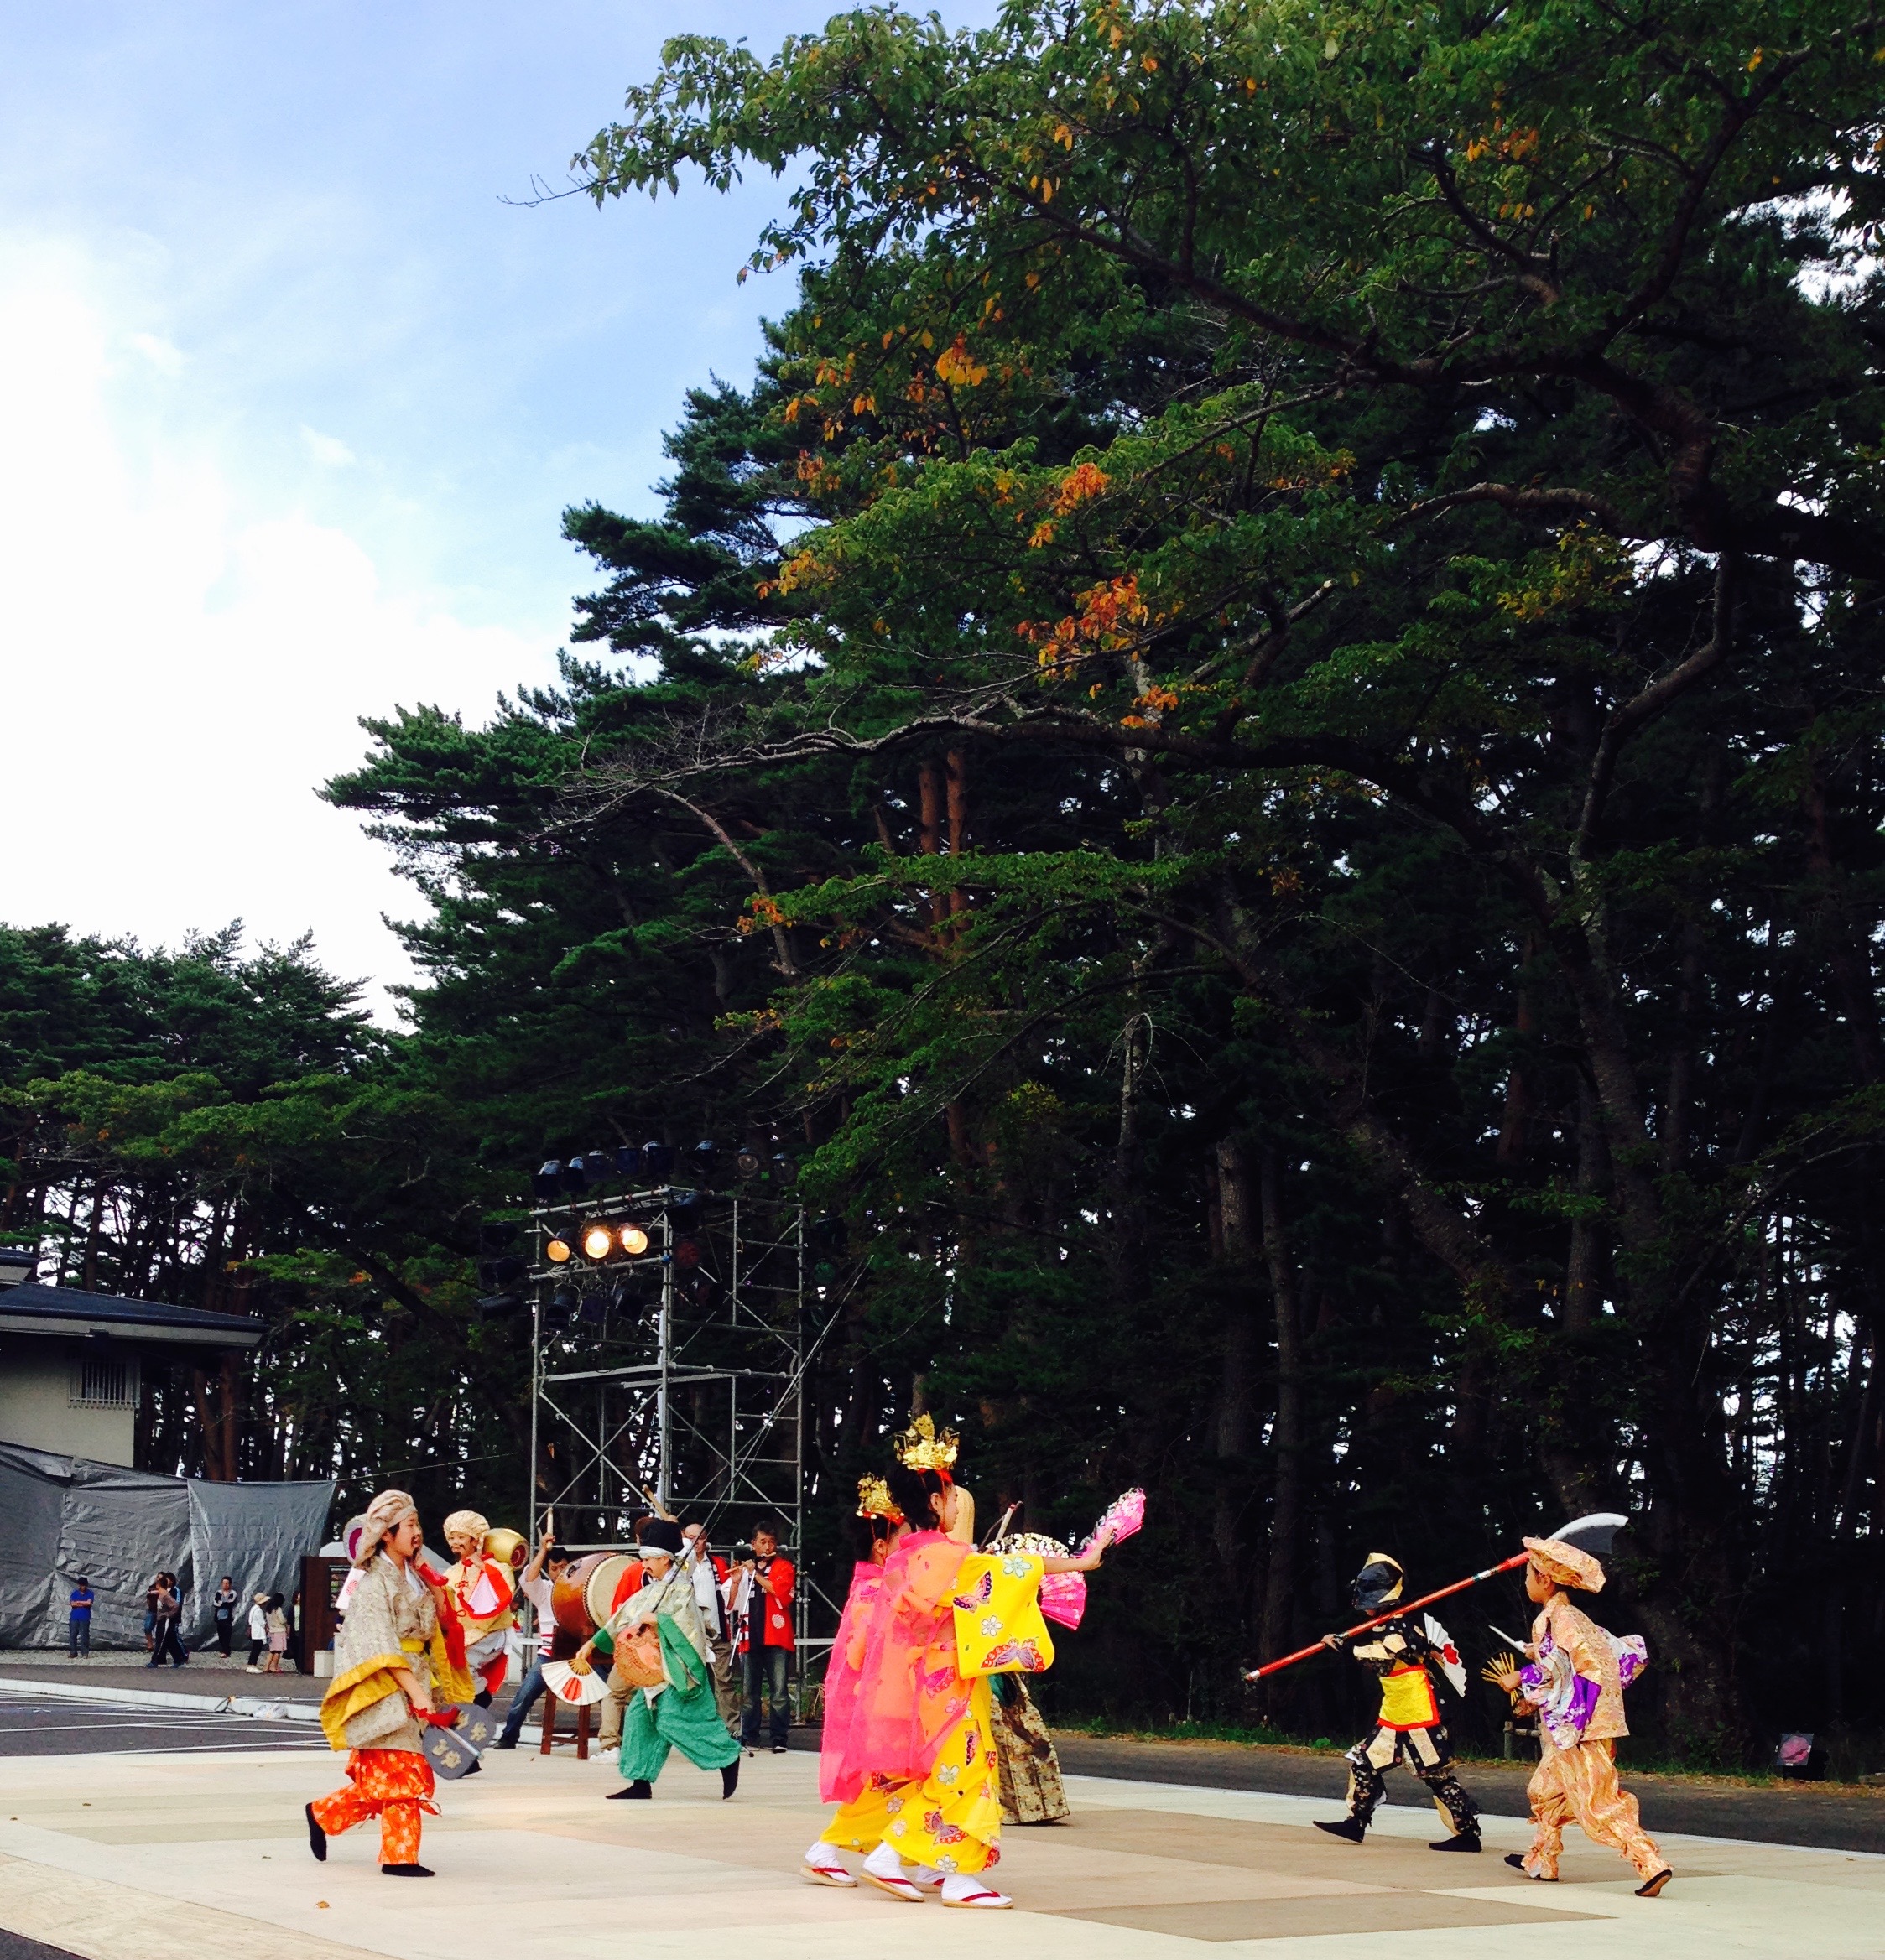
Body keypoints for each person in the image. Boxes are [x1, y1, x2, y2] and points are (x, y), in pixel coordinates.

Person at [803, 1417, 1112, 1909]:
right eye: (950, 1497)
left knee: (946, 1779)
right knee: (969, 1777)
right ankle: (921, 1864)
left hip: (926, 1689)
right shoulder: (949, 1557)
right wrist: (1083, 1560)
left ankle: (919, 1861)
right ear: (934, 1503)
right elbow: (1016, 1569)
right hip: (948, 1692)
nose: (953, 1506)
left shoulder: (905, 1558)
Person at [1491, 1535, 1671, 1897]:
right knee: (1545, 1792)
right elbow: (1589, 1657)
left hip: (1582, 1727)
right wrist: (1537, 1656)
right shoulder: (1567, 1619)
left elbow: (1573, 1667)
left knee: (1597, 1801)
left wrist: (1522, 1678)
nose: (1525, 1582)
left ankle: (1650, 1862)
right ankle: (1542, 1859)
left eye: (1529, 1575)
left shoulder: (1561, 1619)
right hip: (1584, 1723)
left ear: (1545, 1579)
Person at [309, 1488, 450, 1878]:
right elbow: (381, 1648)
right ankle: (399, 1857)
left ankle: (323, 1814)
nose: (417, 1531)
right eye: (408, 1525)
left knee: (388, 1777)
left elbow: (436, 1630)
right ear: (386, 1534)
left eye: (417, 1523)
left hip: (417, 1677)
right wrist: (419, 1695)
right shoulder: (373, 1584)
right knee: (401, 1772)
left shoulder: (417, 1578)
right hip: (387, 1688)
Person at [1313, 1553, 1481, 1853]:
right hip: (1396, 1708)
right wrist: (1348, 1646)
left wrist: (1347, 1648)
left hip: (1418, 1710)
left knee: (1434, 1774)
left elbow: (1386, 1659)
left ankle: (1467, 1833)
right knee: (1364, 1760)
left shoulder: (1401, 1623)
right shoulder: (1389, 1623)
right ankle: (1357, 1821)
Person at [576, 1517, 741, 1801]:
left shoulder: (682, 1592)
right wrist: (592, 1643)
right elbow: (621, 1619)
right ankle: (640, 1782)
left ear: (666, 1559)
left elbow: (690, 1633)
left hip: (676, 1671)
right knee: (639, 1719)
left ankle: (727, 1757)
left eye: (649, 1559)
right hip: (653, 1672)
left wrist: (660, 1621)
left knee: (672, 1722)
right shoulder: (651, 1590)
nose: (645, 1565)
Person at [492, 1531, 571, 1749]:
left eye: (563, 1566)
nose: (559, 1572)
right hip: (549, 1655)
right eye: (554, 1568)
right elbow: (529, 1578)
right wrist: (543, 1550)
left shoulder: (580, 1589)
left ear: (571, 1566)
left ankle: (614, 1740)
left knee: (608, 1693)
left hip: (581, 1655)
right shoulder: (544, 1591)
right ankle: (509, 1737)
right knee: (523, 1696)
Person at [436, 1510, 517, 1708]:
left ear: (475, 1540)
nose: (455, 1542)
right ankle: (468, 1703)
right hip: (463, 1634)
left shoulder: (497, 1566)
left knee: (463, 1663)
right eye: (452, 1537)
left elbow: (504, 1594)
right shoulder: (451, 1572)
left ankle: (479, 1699)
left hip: (490, 1631)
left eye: (461, 1537)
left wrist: (483, 1568)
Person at [735, 1518, 795, 1754]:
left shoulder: (783, 1566)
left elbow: (781, 1592)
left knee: (778, 1691)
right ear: (753, 1544)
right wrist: (738, 1580)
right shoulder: (745, 1568)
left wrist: (755, 1575)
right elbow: (732, 1603)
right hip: (751, 1635)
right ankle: (750, 1736)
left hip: (776, 1636)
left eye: (771, 1542)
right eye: (763, 1542)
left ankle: (779, 1738)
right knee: (750, 1692)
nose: (767, 1547)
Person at [680, 1520, 737, 1725]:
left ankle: (731, 1728)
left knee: (724, 1681)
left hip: (717, 1631)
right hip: (691, 1634)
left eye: (700, 1538)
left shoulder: (718, 1564)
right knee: (695, 1683)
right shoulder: (679, 1565)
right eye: (690, 1538)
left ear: (706, 1540)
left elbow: (730, 1601)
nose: (695, 1542)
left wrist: (737, 1584)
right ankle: (698, 1726)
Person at [148, 1573, 187, 1669]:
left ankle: (154, 1660)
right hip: (161, 1620)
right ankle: (179, 1659)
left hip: (166, 1621)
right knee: (170, 1641)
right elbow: (150, 1592)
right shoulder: (161, 1594)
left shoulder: (165, 1595)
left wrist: (168, 1615)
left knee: (160, 1640)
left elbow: (175, 1605)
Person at [210, 1577, 237, 1658]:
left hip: (227, 1618)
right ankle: (223, 1649)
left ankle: (226, 1651)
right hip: (219, 1617)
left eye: (227, 1583)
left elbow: (230, 1603)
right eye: (224, 1583)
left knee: (227, 1635)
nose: (225, 1585)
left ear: (230, 1584)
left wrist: (221, 1603)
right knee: (221, 1634)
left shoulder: (233, 1593)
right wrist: (222, 1604)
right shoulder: (218, 1593)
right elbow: (215, 1603)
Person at [67, 1577, 94, 1659]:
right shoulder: (74, 1593)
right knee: (73, 1635)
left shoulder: (90, 1593)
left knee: (84, 1635)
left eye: (84, 1585)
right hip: (74, 1617)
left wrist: (78, 1602)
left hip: (85, 1617)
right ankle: (73, 1652)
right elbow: (73, 1604)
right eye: (81, 1585)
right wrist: (83, 1603)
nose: (83, 1587)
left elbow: (88, 1603)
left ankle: (85, 1653)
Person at [264, 1593, 290, 1674]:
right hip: (279, 1631)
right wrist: (286, 1622)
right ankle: (274, 1667)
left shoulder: (268, 1610)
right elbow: (282, 1620)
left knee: (272, 1650)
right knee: (278, 1651)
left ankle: (266, 1667)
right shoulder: (278, 1609)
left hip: (272, 1631)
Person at [247, 1591, 269, 1671]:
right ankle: (253, 1665)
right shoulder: (259, 1610)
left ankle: (250, 1665)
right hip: (258, 1632)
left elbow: (250, 1621)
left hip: (254, 1631)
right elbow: (262, 1622)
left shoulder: (253, 1609)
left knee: (254, 1649)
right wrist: (266, 1627)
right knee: (256, 1650)